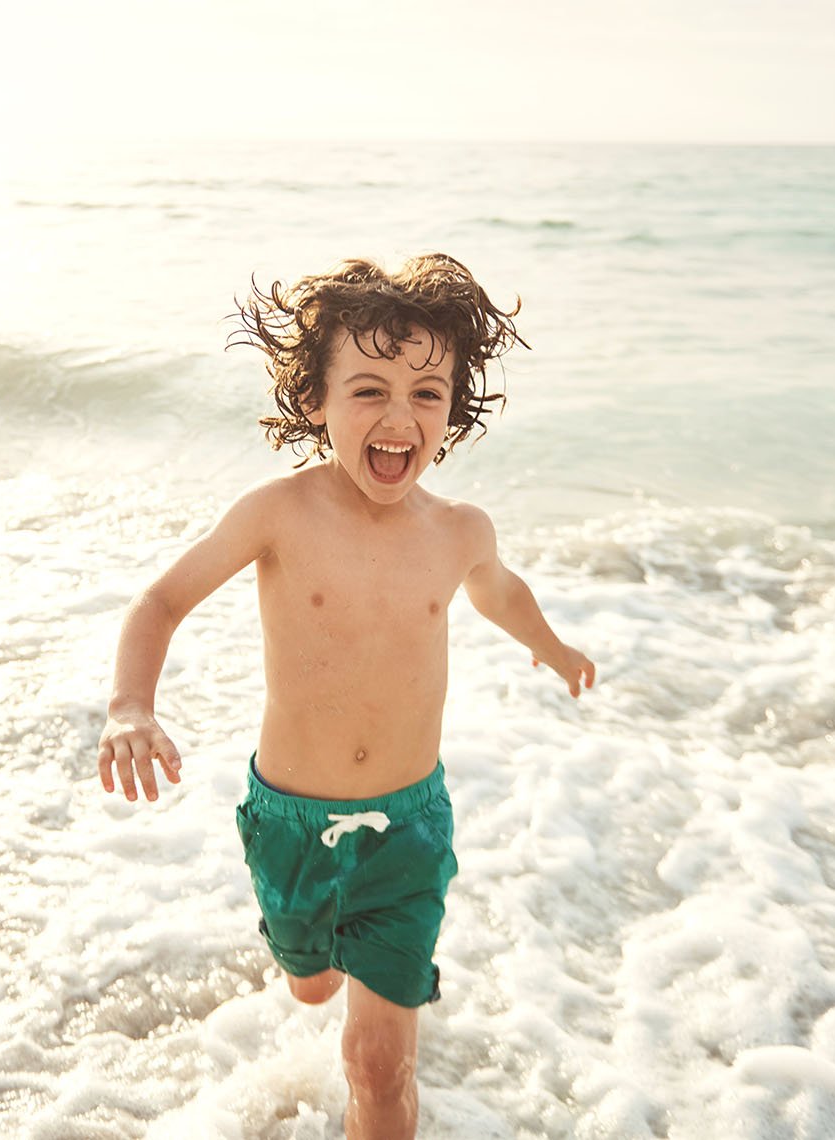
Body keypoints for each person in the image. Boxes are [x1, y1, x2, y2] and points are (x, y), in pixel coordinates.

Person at [95, 253, 595, 1139]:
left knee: (378, 1064)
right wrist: (131, 705)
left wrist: (551, 646)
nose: (399, 417)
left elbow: (501, 593)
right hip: (289, 822)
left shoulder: (459, 531)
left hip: (409, 828)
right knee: (310, 978)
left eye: (427, 394)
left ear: (455, 409)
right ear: (314, 402)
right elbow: (161, 601)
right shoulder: (278, 513)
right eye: (368, 391)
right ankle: (309, 960)